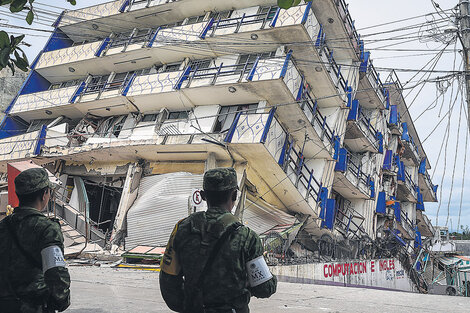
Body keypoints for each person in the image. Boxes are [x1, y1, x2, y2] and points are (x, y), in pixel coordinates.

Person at [160, 167, 277, 313]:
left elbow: (168, 283)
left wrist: (190, 305)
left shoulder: (182, 228)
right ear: (234, 195)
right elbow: (265, 288)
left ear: (203, 195)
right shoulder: (247, 237)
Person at [0, 168, 71, 313]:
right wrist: (61, 300)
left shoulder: (3, 225)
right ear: (45, 194)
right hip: (33, 306)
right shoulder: (47, 229)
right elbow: (55, 271)